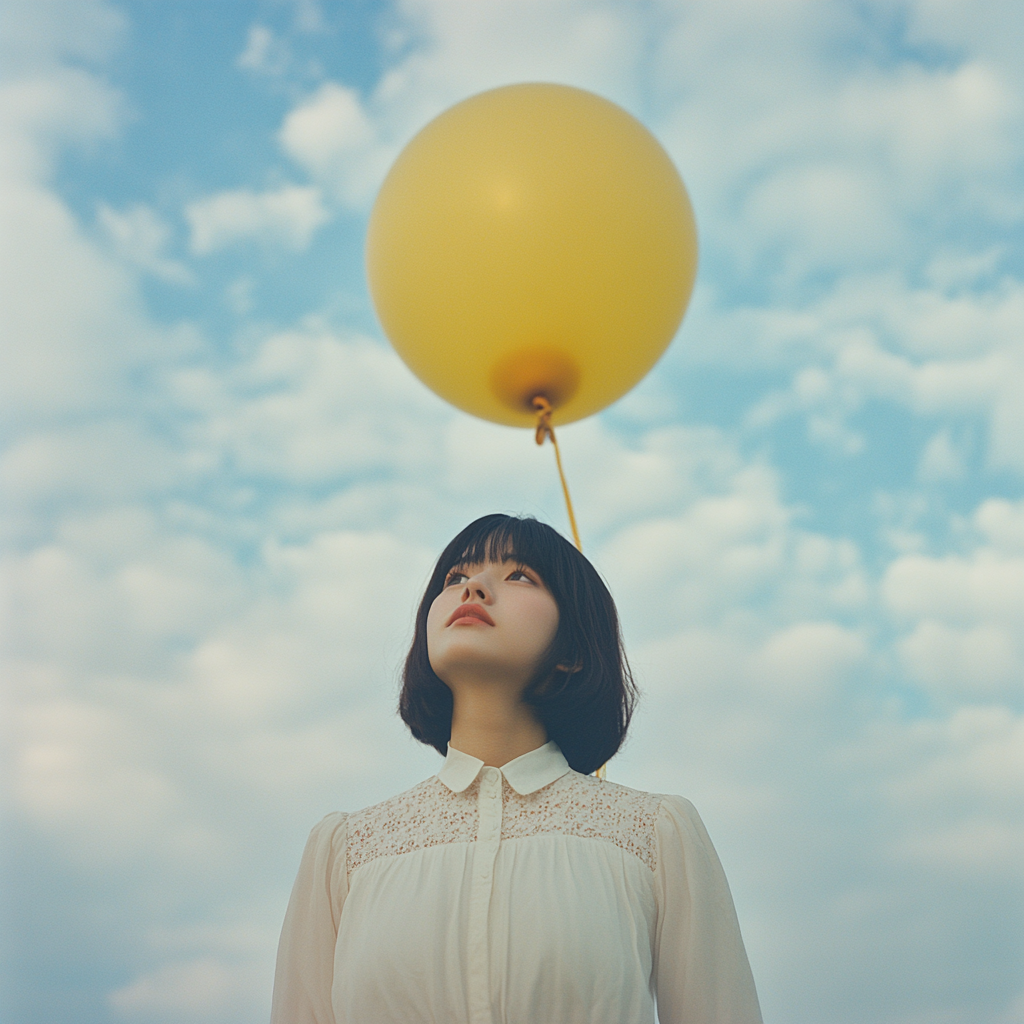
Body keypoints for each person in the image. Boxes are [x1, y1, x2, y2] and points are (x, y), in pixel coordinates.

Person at [271, 514, 762, 1024]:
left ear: (571, 650)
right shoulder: (345, 850)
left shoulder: (656, 833)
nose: (474, 589)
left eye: (519, 575)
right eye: (455, 578)